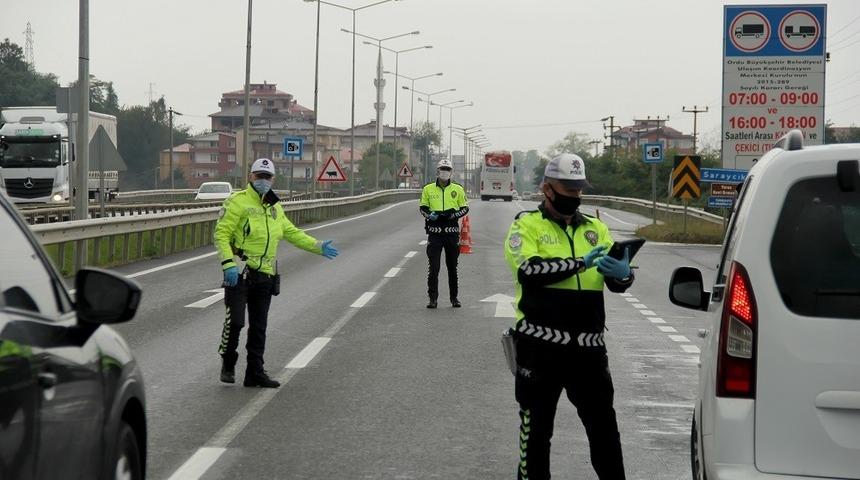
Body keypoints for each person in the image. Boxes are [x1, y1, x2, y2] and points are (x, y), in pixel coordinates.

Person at [503, 153, 633, 479]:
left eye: (579, 189)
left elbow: (615, 283)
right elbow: (529, 271)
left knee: (605, 433)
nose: (575, 195)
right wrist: (579, 264)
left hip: (589, 352)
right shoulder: (525, 225)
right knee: (536, 435)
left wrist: (623, 274)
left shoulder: (596, 228)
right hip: (540, 349)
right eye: (568, 189)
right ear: (547, 189)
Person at [214, 158, 339, 388]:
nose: (263, 181)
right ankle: (228, 360)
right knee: (237, 323)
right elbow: (221, 234)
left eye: (267, 177)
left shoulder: (274, 207)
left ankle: (255, 373)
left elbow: (292, 233)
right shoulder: (237, 201)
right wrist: (227, 263)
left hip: (265, 274)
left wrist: (317, 246)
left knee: (259, 327)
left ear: (273, 179)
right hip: (239, 272)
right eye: (259, 176)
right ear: (250, 177)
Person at [419, 158, 469, 309]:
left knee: (452, 267)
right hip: (434, 234)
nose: (445, 172)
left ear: (451, 172)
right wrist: (430, 215)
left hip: (451, 234)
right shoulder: (428, 189)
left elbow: (465, 208)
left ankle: (454, 298)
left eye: (448, 169)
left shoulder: (458, 189)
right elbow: (423, 207)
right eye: (443, 169)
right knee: (434, 268)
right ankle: (432, 299)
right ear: (438, 171)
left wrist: (452, 215)